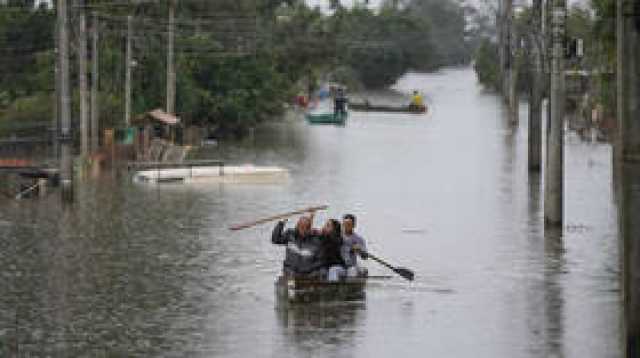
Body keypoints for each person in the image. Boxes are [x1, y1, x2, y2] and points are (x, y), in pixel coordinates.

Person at [341, 214, 368, 278]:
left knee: (355, 271)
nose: (346, 226)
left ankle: (351, 286)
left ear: (354, 225)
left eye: (349, 224)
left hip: (351, 266)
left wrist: (360, 250)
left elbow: (365, 257)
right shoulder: (337, 237)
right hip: (339, 265)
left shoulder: (359, 239)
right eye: (344, 224)